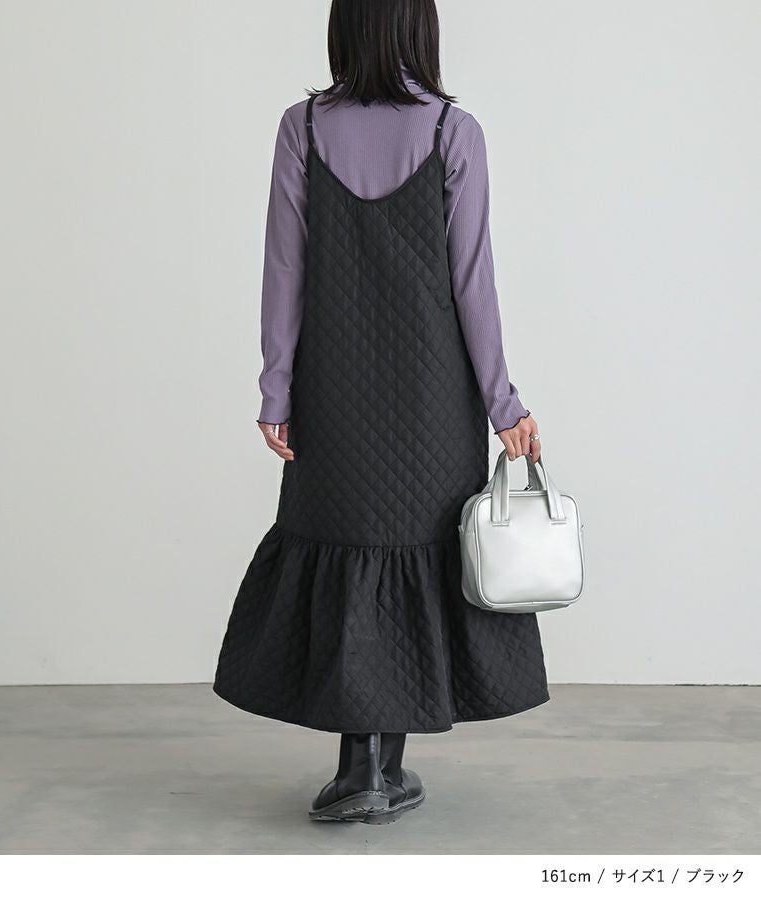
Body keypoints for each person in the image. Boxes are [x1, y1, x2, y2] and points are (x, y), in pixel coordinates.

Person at [214, 0, 549, 825]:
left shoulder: (302, 127)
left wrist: (276, 389)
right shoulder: (454, 132)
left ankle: (361, 769)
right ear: (418, 28)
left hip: (333, 392)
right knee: (412, 561)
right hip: (433, 396)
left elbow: (283, 269)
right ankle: (379, 772)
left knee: (348, 555)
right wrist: (504, 404)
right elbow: (474, 284)